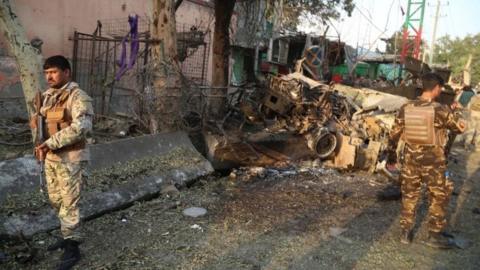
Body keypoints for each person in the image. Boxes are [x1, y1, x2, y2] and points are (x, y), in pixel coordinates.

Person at [387, 72, 466, 249]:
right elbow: (460, 127)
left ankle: (406, 232)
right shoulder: (440, 110)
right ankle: (434, 234)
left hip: (410, 160)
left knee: (409, 195)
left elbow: (394, 134)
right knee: (438, 195)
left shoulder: (406, 106)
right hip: (434, 162)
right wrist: (458, 110)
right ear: (437, 88)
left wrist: (391, 156)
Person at [31, 55, 93, 269]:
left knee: (69, 202)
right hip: (51, 157)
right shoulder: (47, 97)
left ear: (67, 72)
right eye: (47, 73)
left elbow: (81, 127)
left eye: (54, 72)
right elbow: (40, 125)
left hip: (70, 158)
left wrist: (51, 143)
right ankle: (67, 235)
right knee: (56, 199)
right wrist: (40, 144)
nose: (49, 76)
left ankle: (72, 246)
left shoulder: (78, 97)